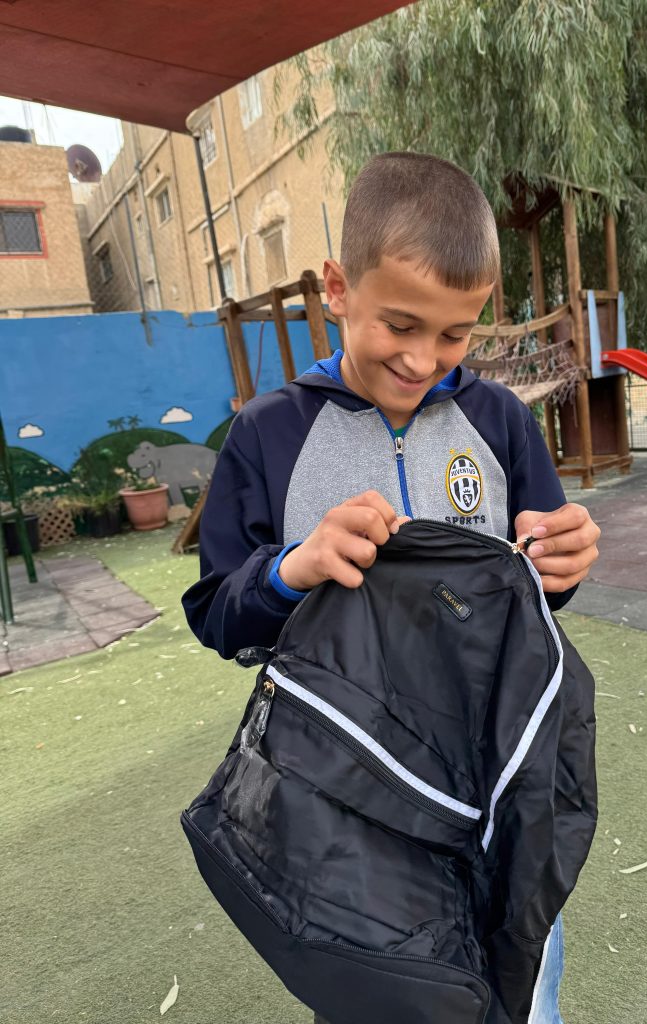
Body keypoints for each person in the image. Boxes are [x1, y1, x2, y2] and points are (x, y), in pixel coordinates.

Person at [182, 151, 600, 1024]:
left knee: (524, 991)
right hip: (345, 805)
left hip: (489, 786)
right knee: (379, 999)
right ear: (338, 289)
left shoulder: (499, 421)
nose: (423, 359)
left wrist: (560, 565)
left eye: (455, 335)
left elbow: (530, 596)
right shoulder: (267, 434)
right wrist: (291, 570)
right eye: (400, 324)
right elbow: (219, 613)